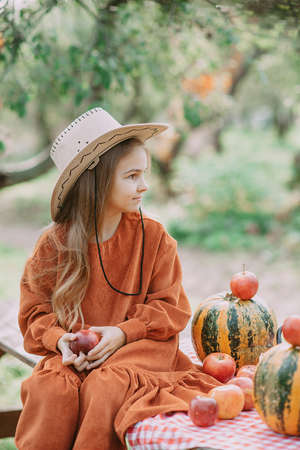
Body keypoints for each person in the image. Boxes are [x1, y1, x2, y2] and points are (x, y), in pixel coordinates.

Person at [15, 107, 221, 450]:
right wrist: (60, 340)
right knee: (52, 387)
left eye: (145, 173)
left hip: (138, 349)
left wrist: (123, 332)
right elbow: (34, 311)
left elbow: (170, 309)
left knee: (105, 385)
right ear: (95, 180)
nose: (145, 185)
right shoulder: (54, 245)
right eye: (132, 176)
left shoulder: (153, 237)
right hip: (75, 354)